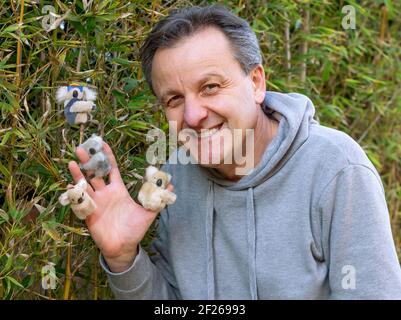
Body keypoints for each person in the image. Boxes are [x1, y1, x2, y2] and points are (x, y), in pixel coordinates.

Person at [68, 5, 401, 299]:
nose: (193, 115)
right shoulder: (173, 179)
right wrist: (124, 259)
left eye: (210, 87)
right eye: (174, 99)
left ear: (255, 83)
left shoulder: (335, 168)